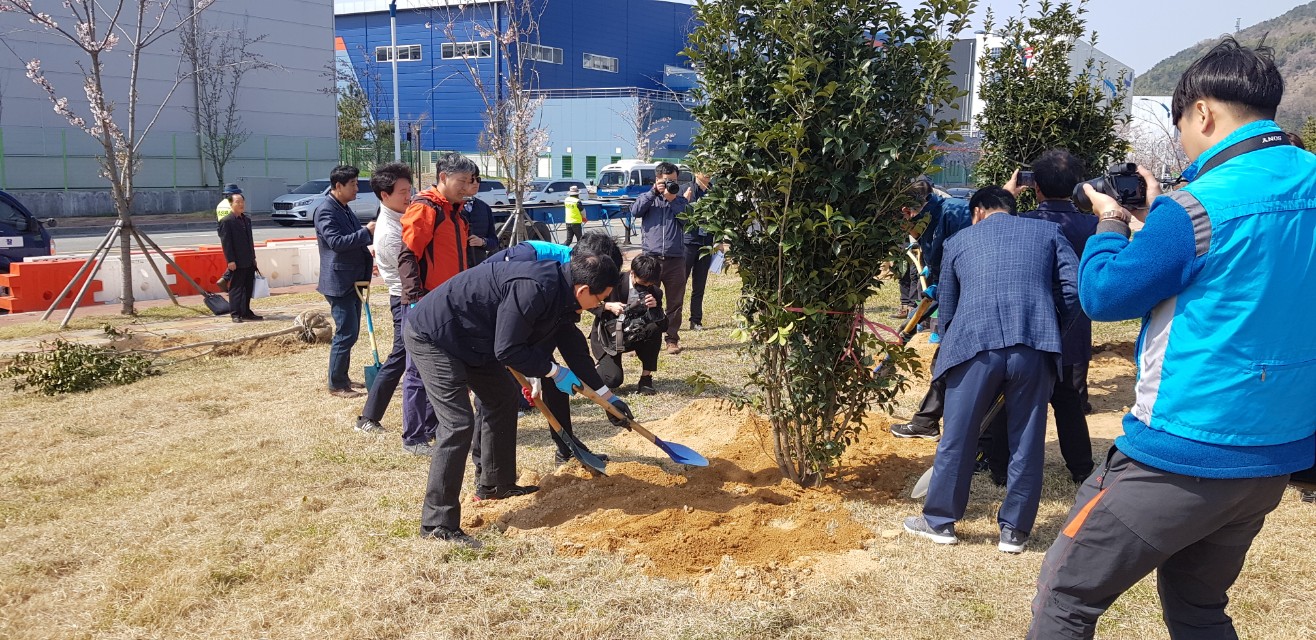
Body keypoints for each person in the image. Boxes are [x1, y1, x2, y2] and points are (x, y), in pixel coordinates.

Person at [1029, 38, 1316, 638]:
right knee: (1197, 607)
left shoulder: (1198, 206)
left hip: (1184, 450)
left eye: (1182, 122)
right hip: (1275, 452)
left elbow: (1104, 295)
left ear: (1203, 113)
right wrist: (1155, 222)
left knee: (1065, 595)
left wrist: (1111, 219)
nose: (1184, 138)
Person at [404, 252, 631, 547]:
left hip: (476, 338)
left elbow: (574, 347)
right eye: (600, 298)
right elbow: (508, 350)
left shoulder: (563, 294)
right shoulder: (534, 288)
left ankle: (495, 485)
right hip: (435, 335)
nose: (599, 304)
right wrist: (551, 371)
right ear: (583, 290)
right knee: (458, 424)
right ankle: (437, 524)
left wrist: (606, 397)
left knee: (501, 398)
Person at [904, 186, 1079, 555]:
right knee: (1026, 441)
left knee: (958, 436)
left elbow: (947, 309)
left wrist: (947, 356)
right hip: (1033, 346)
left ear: (979, 211)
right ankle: (1014, 532)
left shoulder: (960, 240)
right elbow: (1074, 289)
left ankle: (940, 522)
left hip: (973, 347)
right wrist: (1050, 327)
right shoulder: (1048, 232)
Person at [999, 149, 1099, 485]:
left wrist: (1006, 195)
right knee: (1068, 398)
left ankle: (1000, 464)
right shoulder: (1096, 225)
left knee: (1011, 395)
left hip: (1027, 323)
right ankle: (1081, 467)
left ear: (1036, 186)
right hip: (1072, 323)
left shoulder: (1022, 222)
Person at [484, 232, 627, 465]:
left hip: (529, 321)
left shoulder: (571, 278)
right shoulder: (536, 268)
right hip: (495, 326)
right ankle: (491, 476)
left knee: (557, 380)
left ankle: (567, 449)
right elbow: (514, 332)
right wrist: (536, 371)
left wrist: (605, 397)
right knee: (497, 398)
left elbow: (573, 346)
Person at [396, 152, 478, 456]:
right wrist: (415, 299)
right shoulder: (426, 208)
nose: (466, 187)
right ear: (443, 177)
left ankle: (434, 427)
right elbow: (407, 255)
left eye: (469, 182)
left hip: (451, 300)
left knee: (445, 368)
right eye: (461, 181)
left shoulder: (455, 211)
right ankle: (415, 436)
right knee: (418, 369)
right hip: (425, 300)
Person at [888, 178, 973, 439]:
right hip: (954, 294)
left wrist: (940, 286)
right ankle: (927, 422)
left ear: (907, 212)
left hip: (972, 299)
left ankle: (971, 436)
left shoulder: (955, 213)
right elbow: (938, 275)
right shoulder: (930, 222)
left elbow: (965, 263)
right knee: (945, 362)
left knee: (951, 363)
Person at [354, 162, 414, 435]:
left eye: (409, 189)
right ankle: (368, 417)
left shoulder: (401, 218)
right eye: (402, 191)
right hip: (405, 300)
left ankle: (369, 416)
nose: (408, 195)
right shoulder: (390, 233)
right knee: (400, 357)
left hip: (410, 297)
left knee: (403, 358)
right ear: (384, 195)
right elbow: (411, 275)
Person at [314, 165, 375, 398]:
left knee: (351, 331)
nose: (357, 189)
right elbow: (337, 242)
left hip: (353, 279)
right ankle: (337, 384)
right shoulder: (326, 211)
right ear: (338, 186)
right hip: (339, 280)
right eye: (353, 185)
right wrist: (366, 231)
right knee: (346, 332)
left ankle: (343, 377)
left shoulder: (344, 208)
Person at [631, 161, 690, 355]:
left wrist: (672, 199)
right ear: (657, 179)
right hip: (652, 259)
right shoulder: (648, 198)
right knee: (646, 298)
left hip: (676, 259)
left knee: (675, 301)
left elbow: (687, 220)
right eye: (666, 180)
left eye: (674, 180)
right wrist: (653, 193)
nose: (671, 184)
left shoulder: (680, 201)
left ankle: (672, 339)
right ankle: (641, 336)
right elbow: (635, 211)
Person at [593, 253, 665, 395]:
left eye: (650, 284)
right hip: (610, 337)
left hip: (634, 335)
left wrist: (655, 308)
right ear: (632, 273)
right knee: (613, 380)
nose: (646, 287)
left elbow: (663, 326)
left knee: (654, 328)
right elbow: (588, 303)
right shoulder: (612, 282)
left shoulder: (655, 292)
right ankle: (590, 371)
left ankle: (646, 379)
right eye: (644, 283)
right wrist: (607, 306)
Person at [216, 193, 262, 323]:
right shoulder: (227, 221)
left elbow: (250, 240)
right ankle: (235, 313)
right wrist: (230, 260)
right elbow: (226, 243)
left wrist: (253, 257)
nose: (241, 204)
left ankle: (246, 311)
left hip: (248, 259)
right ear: (231, 204)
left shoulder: (246, 220)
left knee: (248, 287)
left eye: (242, 202)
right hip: (236, 260)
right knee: (236, 288)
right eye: (237, 202)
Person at [682, 173, 713, 332]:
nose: (708, 173)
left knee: (699, 285)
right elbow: (678, 216)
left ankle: (695, 320)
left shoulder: (714, 193)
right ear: (696, 172)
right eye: (704, 169)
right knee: (681, 284)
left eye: (710, 170)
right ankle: (674, 321)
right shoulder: (685, 189)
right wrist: (684, 201)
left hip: (706, 244)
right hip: (688, 243)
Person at [464, 173, 500, 266]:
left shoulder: (484, 207)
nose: (475, 183)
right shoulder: (451, 207)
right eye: (471, 180)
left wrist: (482, 242)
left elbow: (494, 242)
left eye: (478, 180)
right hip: (456, 270)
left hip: (478, 266)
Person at [214, 184, 244, 291]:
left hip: (222, 232)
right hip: (234, 232)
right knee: (240, 258)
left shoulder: (221, 204)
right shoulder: (232, 205)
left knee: (234, 257)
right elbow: (237, 218)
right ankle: (226, 278)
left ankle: (226, 278)